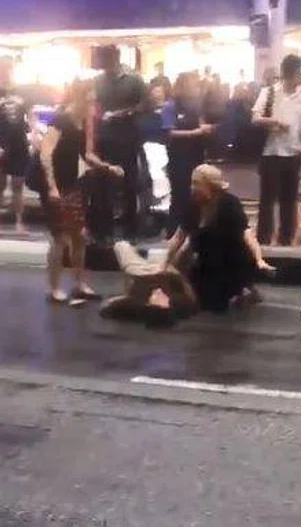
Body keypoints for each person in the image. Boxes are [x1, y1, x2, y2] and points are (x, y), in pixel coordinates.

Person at [39, 80, 124, 303]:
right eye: (89, 99)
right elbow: (45, 154)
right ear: (78, 98)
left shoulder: (84, 121)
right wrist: (52, 187)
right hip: (54, 183)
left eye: (94, 100)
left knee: (79, 237)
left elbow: (87, 154)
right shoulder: (62, 120)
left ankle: (78, 283)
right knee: (60, 238)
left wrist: (107, 167)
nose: (93, 104)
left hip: (71, 183)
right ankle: (53, 287)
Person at [163, 164, 274, 313]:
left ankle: (243, 288)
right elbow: (178, 238)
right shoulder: (193, 206)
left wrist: (259, 260)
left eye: (196, 183)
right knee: (191, 299)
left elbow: (246, 234)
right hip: (206, 263)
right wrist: (164, 265)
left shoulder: (229, 204)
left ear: (210, 185)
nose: (192, 187)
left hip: (231, 263)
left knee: (213, 305)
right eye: (192, 183)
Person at [252, 55, 301, 246]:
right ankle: (263, 240)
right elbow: (255, 118)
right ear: (290, 73)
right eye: (299, 73)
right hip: (271, 153)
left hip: (293, 153)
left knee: (289, 202)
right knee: (267, 201)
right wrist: (275, 122)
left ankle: (285, 240)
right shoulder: (269, 92)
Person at [88, 45, 147, 244]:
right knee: (102, 185)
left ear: (115, 59)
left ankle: (131, 231)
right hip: (103, 138)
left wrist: (123, 113)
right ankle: (103, 230)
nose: (104, 67)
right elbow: (93, 104)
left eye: (106, 62)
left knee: (129, 184)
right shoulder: (98, 81)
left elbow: (146, 105)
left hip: (127, 138)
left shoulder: (134, 80)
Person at [99, 240, 197, 328]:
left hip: (141, 270)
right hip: (163, 269)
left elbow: (106, 306)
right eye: (164, 302)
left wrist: (120, 302)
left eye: (157, 301)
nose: (159, 294)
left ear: (149, 304)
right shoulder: (180, 299)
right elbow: (189, 296)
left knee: (121, 245)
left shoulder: (137, 299)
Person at [165, 71, 214, 237]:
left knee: (197, 194)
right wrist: (195, 132)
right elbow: (170, 133)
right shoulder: (170, 106)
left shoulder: (197, 107)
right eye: (194, 84)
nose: (197, 87)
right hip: (178, 156)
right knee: (179, 194)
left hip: (196, 155)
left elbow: (202, 125)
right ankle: (173, 232)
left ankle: (194, 231)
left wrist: (207, 130)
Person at [0, 56, 30, 233]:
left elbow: (30, 114)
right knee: (0, 184)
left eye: (8, 68)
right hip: (1, 142)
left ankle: (19, 221)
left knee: (18, 183)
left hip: (19, 143)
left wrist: (34, 132)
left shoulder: (22, 92)